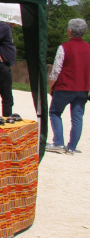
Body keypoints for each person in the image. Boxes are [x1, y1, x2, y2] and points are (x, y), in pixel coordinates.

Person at [47, 18, 90, 154]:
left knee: (55, 112)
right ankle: (72, 147)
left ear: (70, 31)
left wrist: (51, 85)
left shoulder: (64, 47)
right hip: (82, 88)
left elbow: (56, 69)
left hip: (65, 86)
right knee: (77, 117)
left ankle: (58, 143)